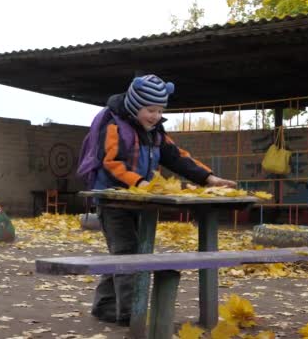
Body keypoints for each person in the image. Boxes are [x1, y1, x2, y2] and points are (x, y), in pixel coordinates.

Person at [88, 74, 236, 326]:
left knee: (127, 252)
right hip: (113, 201)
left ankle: (104, 306)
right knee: (127, 253)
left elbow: (177, 156)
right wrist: (139, 182)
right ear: (135, 106)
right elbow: (110, 161)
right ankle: (130, 315)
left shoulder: (154, 131)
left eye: (160, 110)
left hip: (140, 202)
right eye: (150, 110)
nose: (156, 116)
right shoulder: (113, 125)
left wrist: (209, 178)